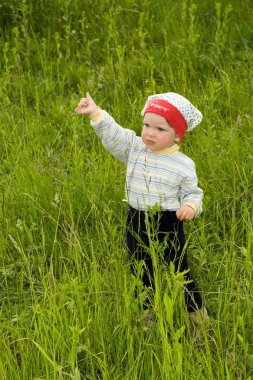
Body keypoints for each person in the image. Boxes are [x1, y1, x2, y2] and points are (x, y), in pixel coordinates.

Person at [75, 91, 208, 323]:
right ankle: (149, 315)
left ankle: (197, 317)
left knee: (179, 271)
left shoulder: (183, 164)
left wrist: (190, 206)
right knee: (141, 270)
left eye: (160, 129)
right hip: (136, 220)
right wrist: (96, 113)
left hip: (168, 222)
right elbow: (115, 135)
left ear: (178, 135)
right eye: (147, 125)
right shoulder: (135, 148)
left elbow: (193, 193)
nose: (149, 133)